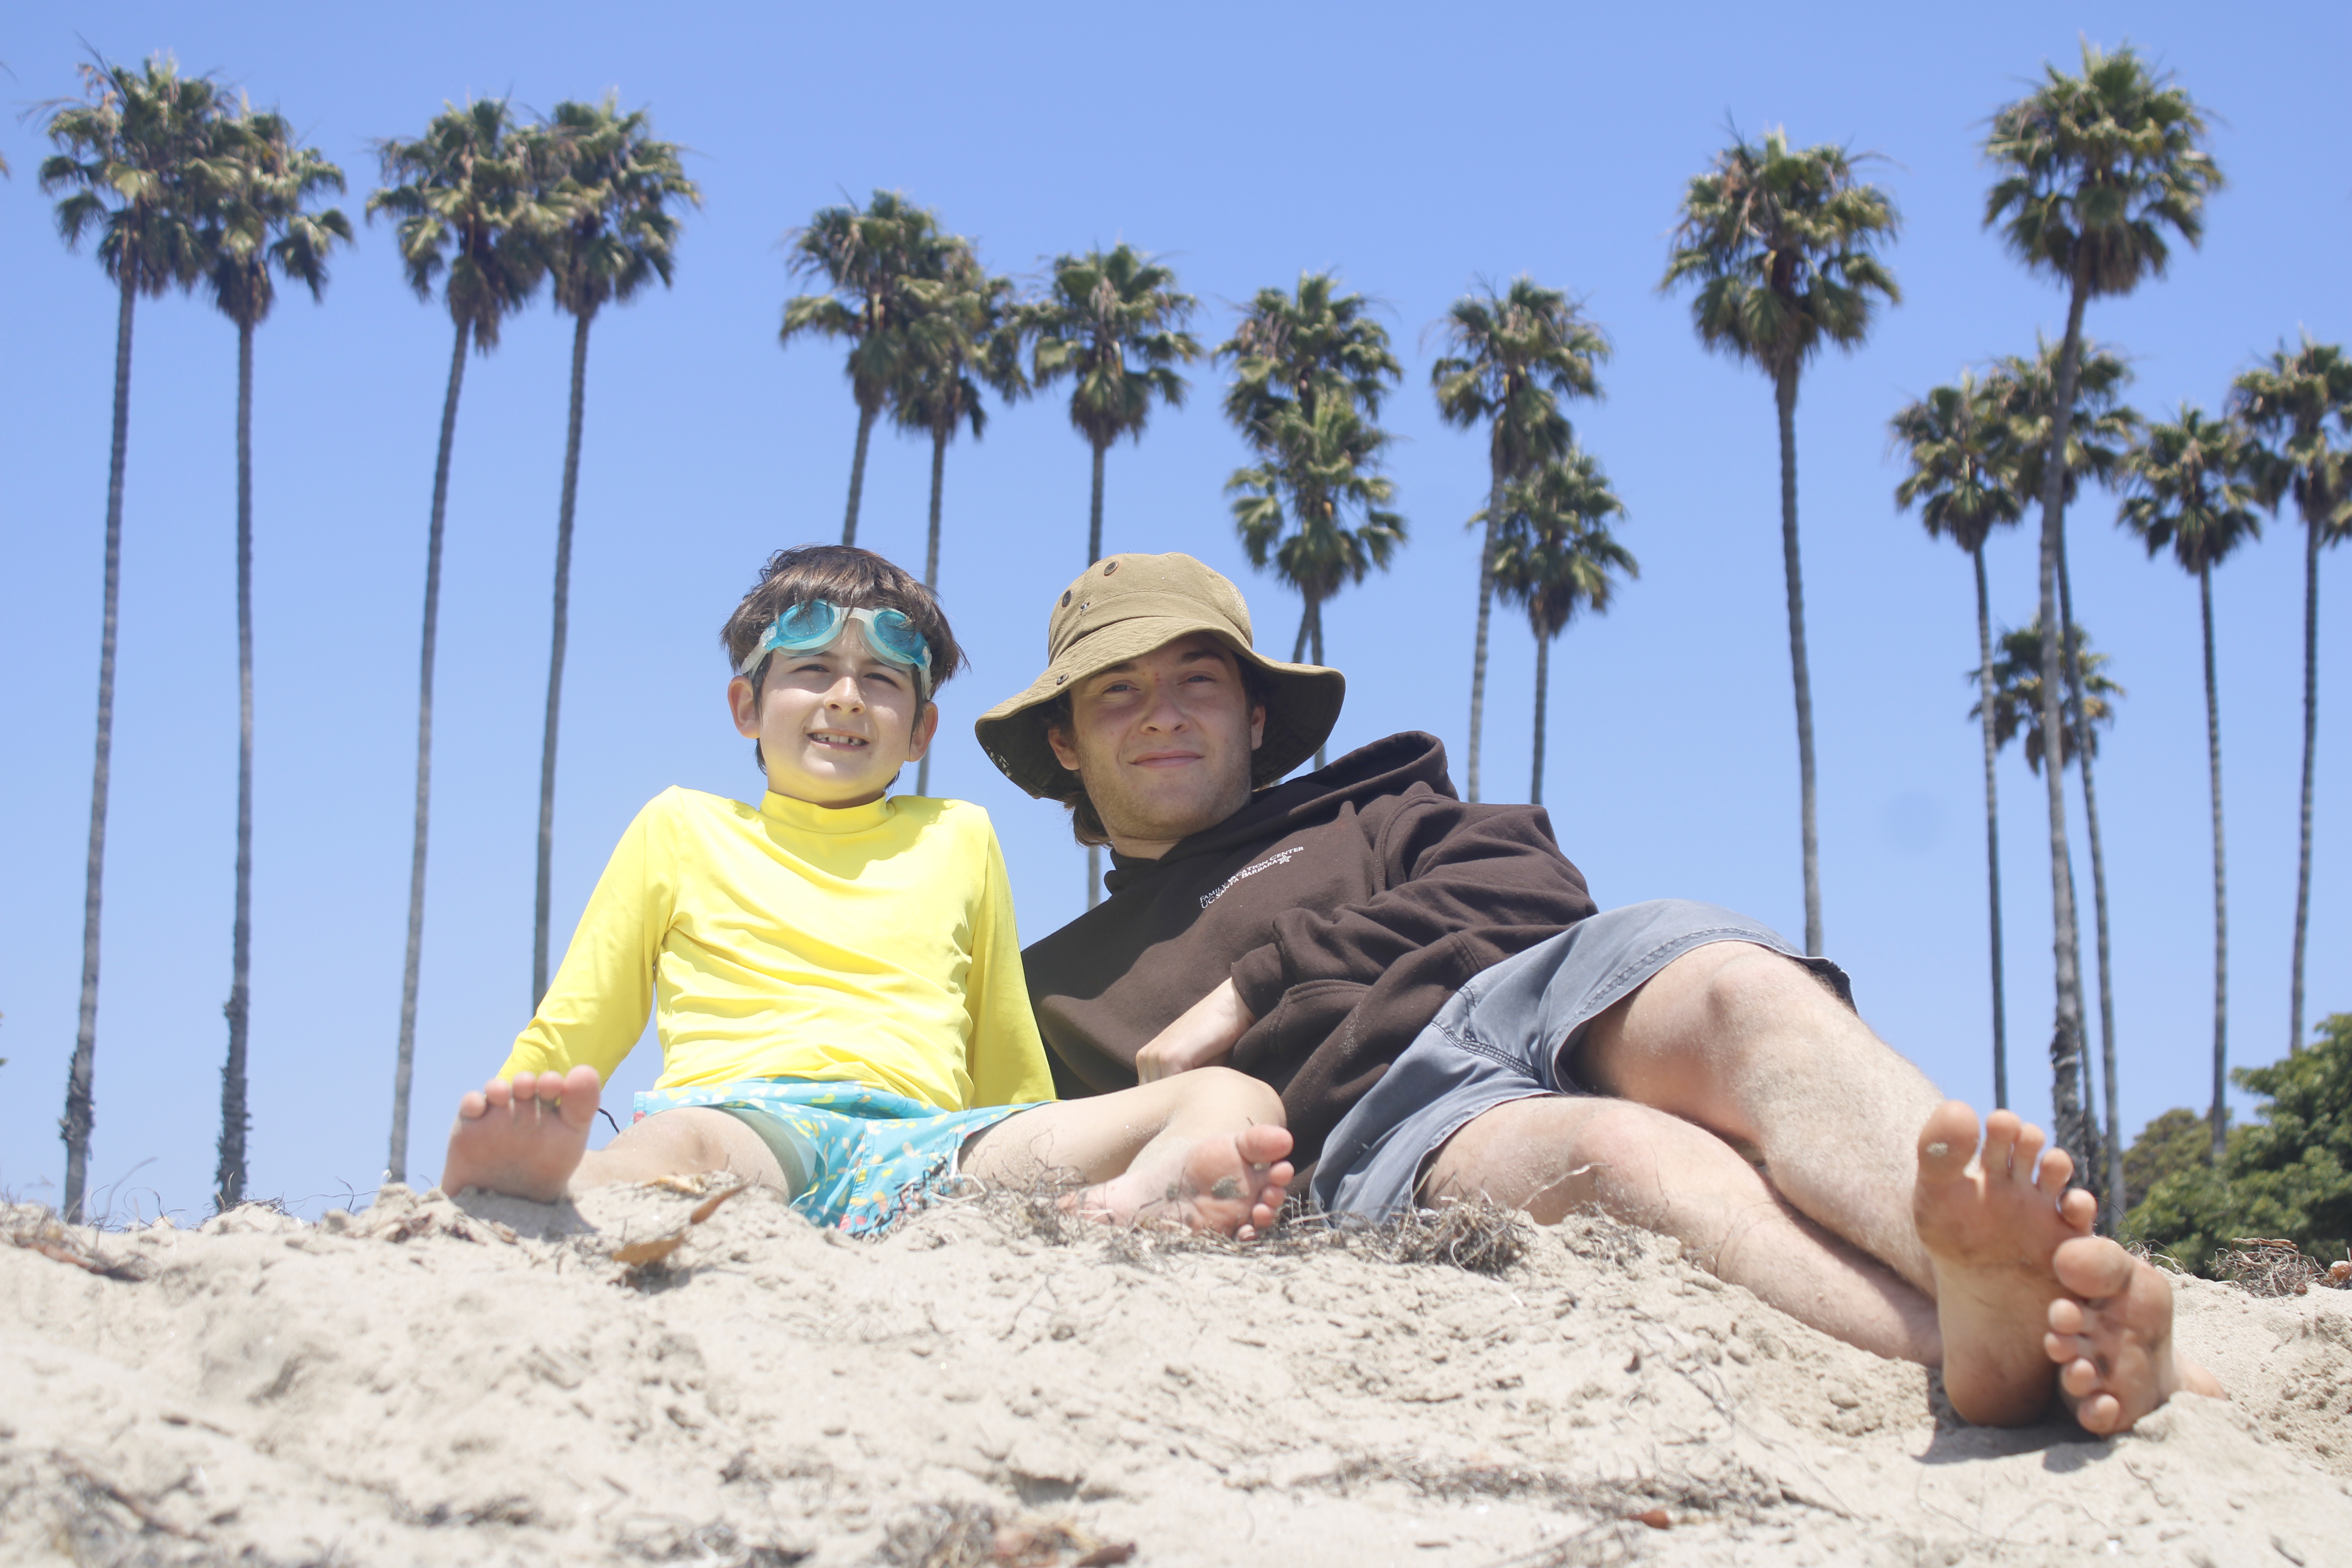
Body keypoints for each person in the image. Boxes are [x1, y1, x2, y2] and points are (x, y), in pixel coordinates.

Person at [977, 551, 2221, 1433]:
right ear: (1068, 746)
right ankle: (1993, 1344)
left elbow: (1529, 889)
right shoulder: (1056, 990)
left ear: (1256, 712)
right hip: (1383, 1112)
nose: (1163, 716)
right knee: (1617, 1157)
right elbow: (1019, 1144)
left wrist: (1259, 979)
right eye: (1118, 693)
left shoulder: (1377, 801)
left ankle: (2038, 1286)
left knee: (1741, 990)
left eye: (1197, 680)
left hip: (1544, 982)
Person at [438, 545, 1292, 1240]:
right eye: (813, 669)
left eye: (883, 680)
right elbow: (584, 1014)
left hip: (931, 1149)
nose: (847, 697)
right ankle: (550, 1185)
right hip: (752, 1123)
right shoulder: (681, 826)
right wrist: (529, 1106)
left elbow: (1001, 1043)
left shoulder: (957, 834)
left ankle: (1139, 1197)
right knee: (678, 1141)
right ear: (747, 704)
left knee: (1234, 1098)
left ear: (921, 729)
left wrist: (1050, 1146)